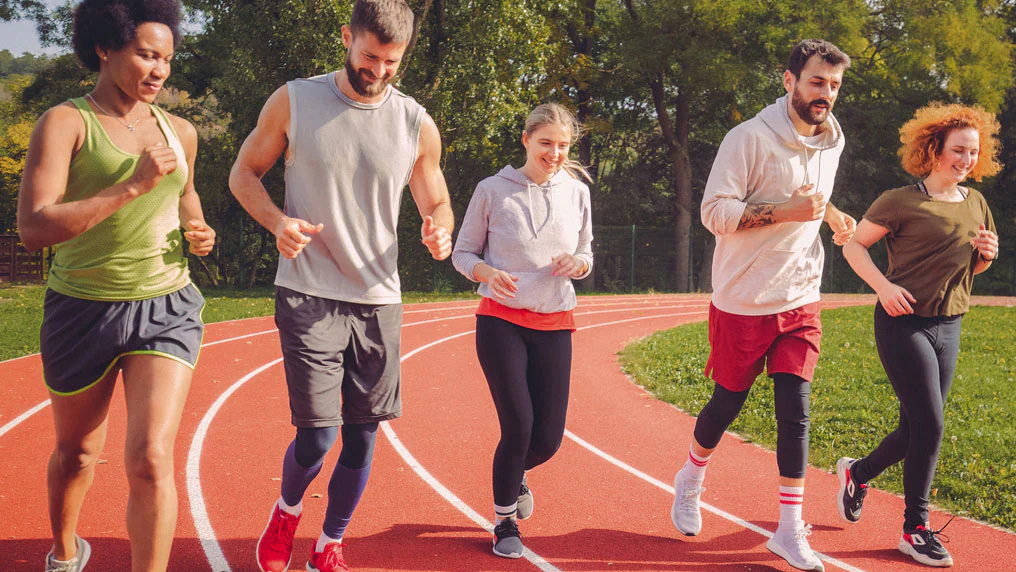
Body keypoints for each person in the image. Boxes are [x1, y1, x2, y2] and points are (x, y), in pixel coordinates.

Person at [228, 1, 453, 570]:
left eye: (391, 62)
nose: (378, 70)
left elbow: (437, 199)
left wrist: (440, 229)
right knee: (318, 436)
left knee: (363, 437)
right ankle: (287, 511)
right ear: (348, 37)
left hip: (379, 299)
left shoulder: (415, 122)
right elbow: (243, 173)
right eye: (369, 56)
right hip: (308, 292)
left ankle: (331, 541)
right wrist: (277, 222)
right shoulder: (295, 100)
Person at [15, 1, 216, 570]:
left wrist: (198, 227)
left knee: (151, 457)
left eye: (167, 59)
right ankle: (64, 552)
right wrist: (130, 186)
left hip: (166, 304)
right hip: (82, 308)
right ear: (105, 48)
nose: (160, 70)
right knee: (77, 453)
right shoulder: (65, 123)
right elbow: (34, 228)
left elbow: (185, 193)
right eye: (147, 55)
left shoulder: (179, 131)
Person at [671, 39, 856, 572]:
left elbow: (809, 194)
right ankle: (691, 475)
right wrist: (787, 211)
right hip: (743, 299)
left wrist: (829, 214)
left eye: (834, 85)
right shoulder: (747, 138)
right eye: (816, 82)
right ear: (789, 80)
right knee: (726, 403)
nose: (825, 94)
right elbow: (714, 213)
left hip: (800, 296)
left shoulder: (832, 140)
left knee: (795, 412)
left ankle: (788, 529)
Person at [836, 103, 1000, 568]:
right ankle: (915, 528)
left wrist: (986, 255)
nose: (966, 159)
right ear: (934, 149)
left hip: (950, 324)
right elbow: (853, 246)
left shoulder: (976, 202)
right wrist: (883, 287)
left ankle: (858, 473)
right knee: (930, 425)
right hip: (903, 322)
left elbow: (973, 266)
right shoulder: (899, 200)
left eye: (973, 152)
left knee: (915, 429)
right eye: (958, 150)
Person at [451, 102, 593, 559]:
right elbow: (462, 253)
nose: (554, 153)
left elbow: (587, 253)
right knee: (518, 426)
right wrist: (486, 272)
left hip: (555, 322)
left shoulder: (577, 193)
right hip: (501, 321)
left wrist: (578, 264)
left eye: (563, 145)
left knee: (547, 440)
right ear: (526, 140)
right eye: (546, 142)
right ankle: (504, 522)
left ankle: (514, 475)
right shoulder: (492, 190)